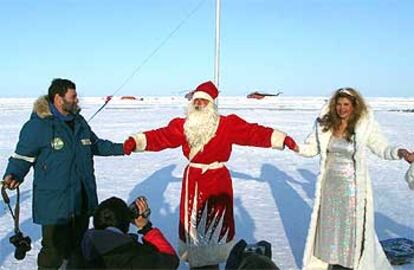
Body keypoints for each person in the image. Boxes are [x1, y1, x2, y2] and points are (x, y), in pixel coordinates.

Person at [123, 81, 296, 268]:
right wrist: (137, 141)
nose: (198, 104)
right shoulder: (184, 126)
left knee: (217, 223)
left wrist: (281, 139)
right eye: (196, 101)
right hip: (194, 181)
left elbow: (252, 133)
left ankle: (213, 260)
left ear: (211, 104)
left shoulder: (227, 124)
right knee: (194, 223)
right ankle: (196, 260)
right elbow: (162, 136)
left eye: (203, 101)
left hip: (217, 181)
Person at [2, 78, 128, 269]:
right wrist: (13, 175)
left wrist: (125, 147)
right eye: (73, 96)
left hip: (82, 200)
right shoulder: (38, 126)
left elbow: (96, 145)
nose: (77, 100)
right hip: (55, 205)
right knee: (53, 253)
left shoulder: (79, 122)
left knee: (78, 250)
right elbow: (22, 157)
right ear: (58, 98)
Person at [290, 87, 412, 270]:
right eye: (338, 104)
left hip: (352, 185)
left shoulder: (364, 125)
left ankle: (350, 264)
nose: (342, 108)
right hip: (329, 184)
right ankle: (331, 261)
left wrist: (399, 152)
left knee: (350, 227)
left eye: (346, 104)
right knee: (329, 225)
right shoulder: (325, 125)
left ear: (354, 106)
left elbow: (381, 146)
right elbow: (311, 148)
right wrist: (291, 145)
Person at [81, 196, 179, 269]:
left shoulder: (80, 252)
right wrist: (146, 228)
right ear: (126, 223)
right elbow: (171, 261)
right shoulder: (136, 257)